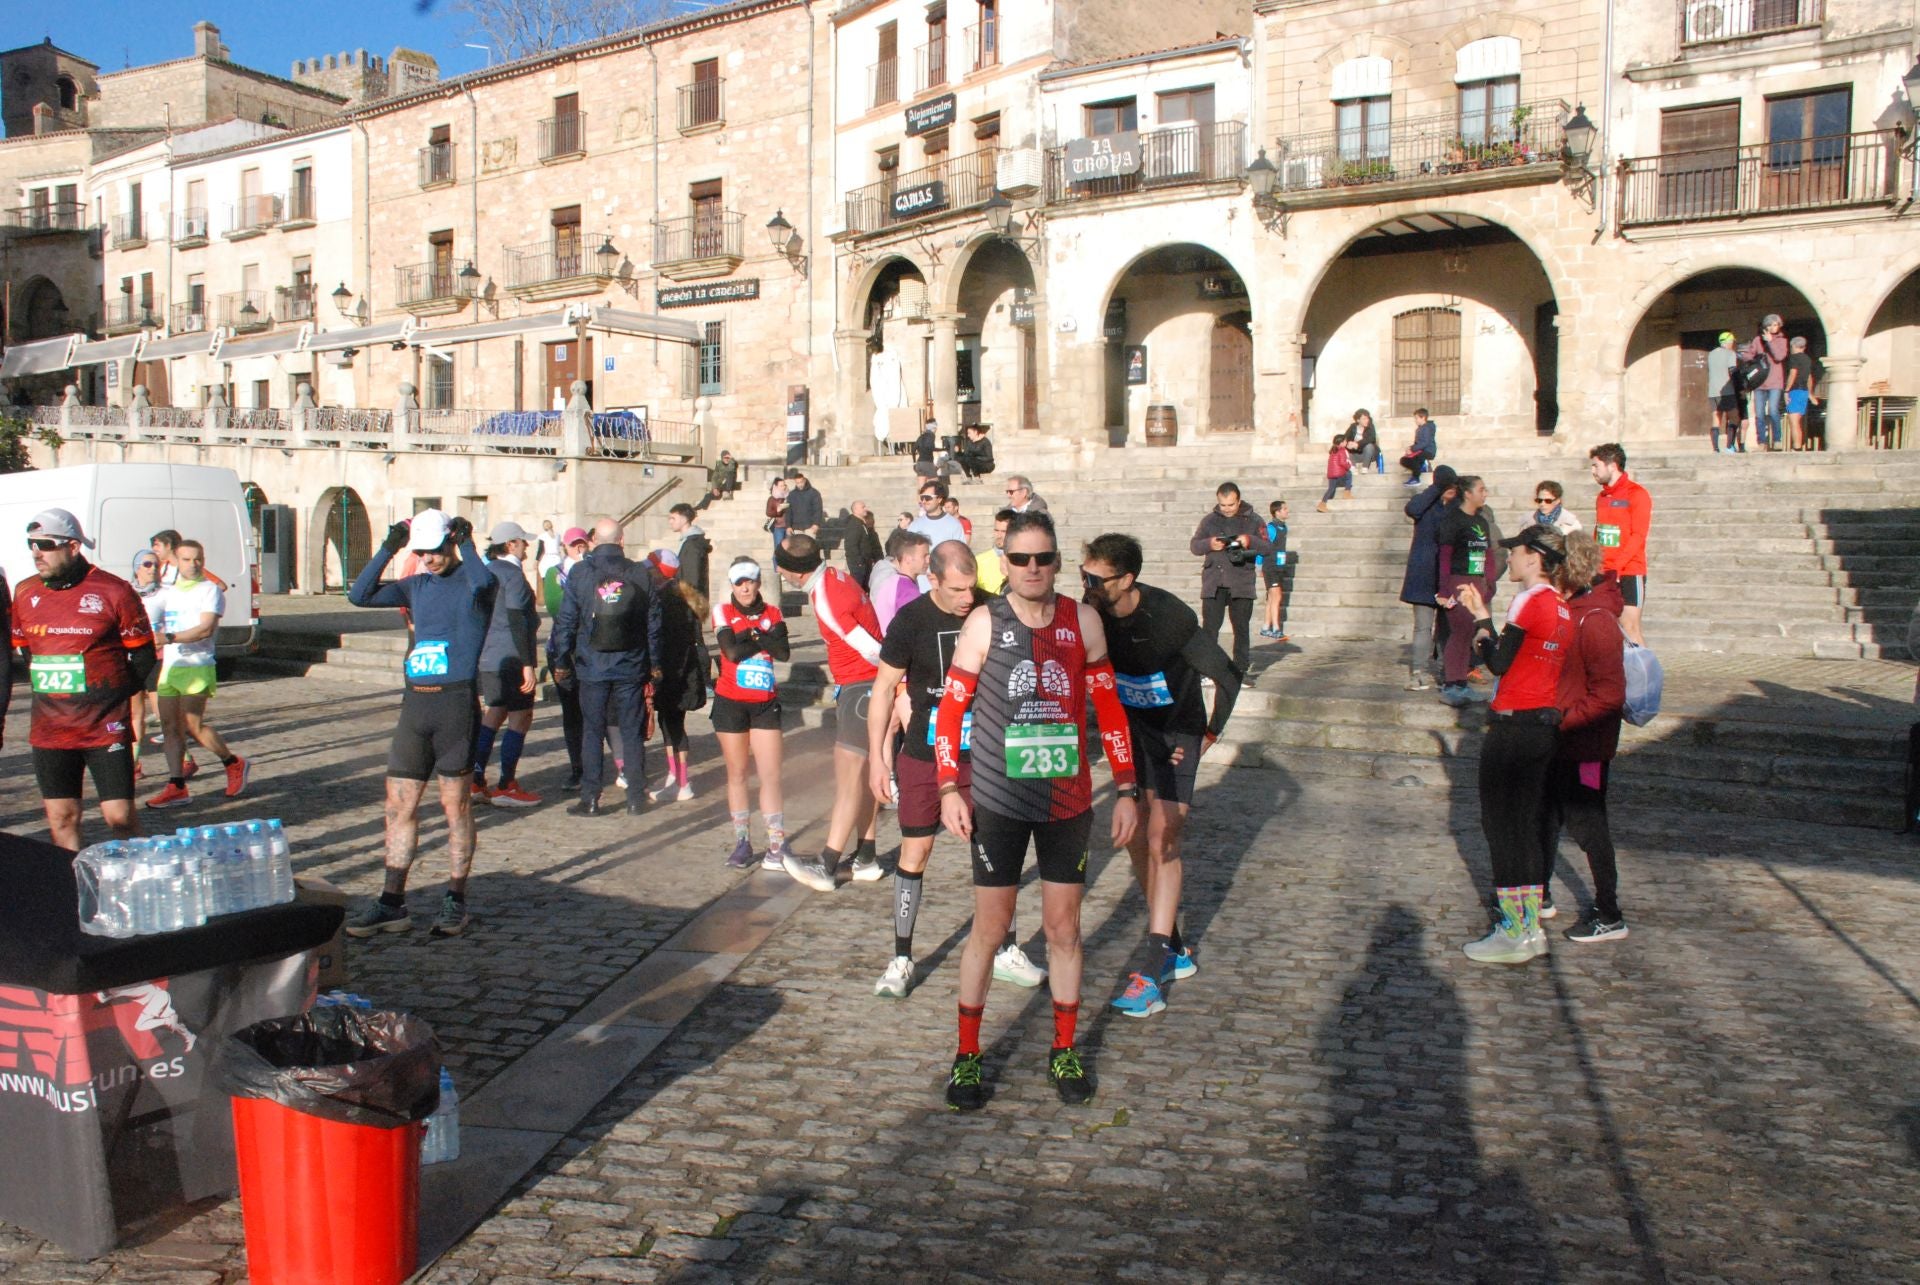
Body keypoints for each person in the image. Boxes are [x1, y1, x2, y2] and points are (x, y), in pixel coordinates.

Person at [934, 511, 1140, 1110]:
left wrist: (1125, 788)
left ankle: (1065, 1048)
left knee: (1064, 930)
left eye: (1043, 559)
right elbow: (951, 711)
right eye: (1019, 559)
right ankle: (967, 1057)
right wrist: (950, 787)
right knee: (991, 929)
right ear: (1006, 564)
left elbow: (1111, 708)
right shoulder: (983, 622)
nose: (1031, 569)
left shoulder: (1084, 621)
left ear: (1056, 562)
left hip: (1066, 800)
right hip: (998, 800)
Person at [868, 540, 1046, 997]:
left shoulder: (992, 610)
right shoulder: (911, 620)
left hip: (983, 755)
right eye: (956, 589)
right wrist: (877, 758)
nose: (967, 598)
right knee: (915, 854)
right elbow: (884, 688)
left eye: (972, 588)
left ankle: (1005, 947)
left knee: (993, 854)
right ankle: (902, 957)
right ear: (933, 580)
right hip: (925, 755)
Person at [1080, 533, 1240, 1019]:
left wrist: (1208, 734)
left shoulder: (1169, 616)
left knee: (1161, 838)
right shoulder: (1092, 614)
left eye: (1095, 578)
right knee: (1135, 839)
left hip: (1176, 734)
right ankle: (1172, 943)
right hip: (1133, 732)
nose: (1085, 585)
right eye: (1082, 575)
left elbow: (1227, 676)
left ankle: (1152, 970)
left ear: (1126, 579)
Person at [345, 509, 494, 938]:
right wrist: (390, 546)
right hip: (416, 707)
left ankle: (455, 899)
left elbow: (484, 584)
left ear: (450, 543)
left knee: (455, 807)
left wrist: (467, 541)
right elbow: (359, 595)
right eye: (421, 553)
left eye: (433, 552)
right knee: (398, 808)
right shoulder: (418, 585)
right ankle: (392, 901)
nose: (427, 560)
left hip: (455, 707)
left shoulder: (474, 581)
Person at [1454, 525, 1573, 964]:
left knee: (1502, 828)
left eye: (1516, 552)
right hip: (1543, 724)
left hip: (1516, 725)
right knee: (1522, 829)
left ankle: (1513, 930)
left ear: (1535, 558)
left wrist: (1481, 622)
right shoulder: (1561, 606)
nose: (1509, 559)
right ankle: (1528, 929)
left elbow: (1499, 661)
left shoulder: (1530, 599)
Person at [12, 509, 156, 850]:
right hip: (50, 729)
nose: (36, 553)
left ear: (73, 546)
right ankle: (70, 891)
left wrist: (114, 696)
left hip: (103, 726)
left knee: (119, 817)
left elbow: (144, 654)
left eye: (45, 545)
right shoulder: (24, 591)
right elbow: (27, 653)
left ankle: (139, 882)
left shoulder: (113, 590)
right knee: (62, 819)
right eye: (32, 544)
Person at [775, 532, 886, 889]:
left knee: (848, 777)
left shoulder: (826, 598)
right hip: (862, 688)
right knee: (865, 775)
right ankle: (866, 856)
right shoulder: (834, 577)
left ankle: (826, 864)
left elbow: (871, 649)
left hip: (862, 688)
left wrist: (891, 685)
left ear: (792, 572)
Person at [1541, 531, 1630, 944]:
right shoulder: (1573, 610)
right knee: (1547, 818)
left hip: (1586, 745)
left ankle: (1610, 912)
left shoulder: (1595, 619)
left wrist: (1563, 721)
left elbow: (1609, 695)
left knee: (1589, 825)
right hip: (1563, 740)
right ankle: (1538, 894)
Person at [550, 519, 662, 817]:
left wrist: (562, 659)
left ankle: (590, 797)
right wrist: (655, 663)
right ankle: (636, 797)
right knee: (631, 731)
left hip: (592, 663)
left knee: (592, 730)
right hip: (631, 663)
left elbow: (566, 621)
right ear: (622, 540)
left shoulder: (580, 572)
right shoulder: (640, 572)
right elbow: (653, 622)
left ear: (594, 540)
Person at [143, 539, 249, 808]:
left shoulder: (210, 590)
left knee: (192, 726)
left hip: (197, 666)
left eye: (198, 559)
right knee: (169, 728)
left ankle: (233, 763)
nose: (193, 564)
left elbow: (205, 629)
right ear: (176, 562)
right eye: (187, 559)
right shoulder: (168, 592)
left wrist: (168, 637)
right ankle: (177, 785)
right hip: (171, 667)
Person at [712, 558, 792, 869]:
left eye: (750, 581)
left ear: (759, 582)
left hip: (765, 702)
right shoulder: (723, 611)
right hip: (730, 701)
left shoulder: (774, 611)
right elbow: (730, 652)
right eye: (738, 583)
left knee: (771, 774)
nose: (745, 588)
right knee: (738, 773)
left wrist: (750, 635)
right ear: (731, 585)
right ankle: (742, 842)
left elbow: (783, 652)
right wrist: (763, 637)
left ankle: (776, 843)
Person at [469, 521, 542, 810]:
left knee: (494, 713)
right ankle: (506, 784)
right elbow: (518, 620)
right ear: (511, 544)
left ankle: (475, 779)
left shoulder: (484, 573)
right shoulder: (512, 577)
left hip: (487, 655)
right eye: (523, 542)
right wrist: (528, 663)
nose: (526, 546)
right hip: (511, 655)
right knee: (520, 717)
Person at [1187, 481, 1272, 673]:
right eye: (1223, 505)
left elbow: (1267, 548)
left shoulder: (1254, 520)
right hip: (1214, 581)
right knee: (1210, 629)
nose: (1226, 509)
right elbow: (1194, 546)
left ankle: (1240, 670)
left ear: (1239, 500)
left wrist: (1249, 540)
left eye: (1231, 505)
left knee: (1241, 629)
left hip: (1241, 581)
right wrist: (1210, 543)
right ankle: (1208, 670)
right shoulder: (1209, 520)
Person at [649, 551, 708, 804]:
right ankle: (676, 777)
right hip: (685, 671)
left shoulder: (665, 601)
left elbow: (666, 640)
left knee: (672, 726)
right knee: (672, 725)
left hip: (672, 672)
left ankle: (681, 781)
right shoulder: (682, 597)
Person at [1434, 475, 1493, 707]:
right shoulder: (1452, 520)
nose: (1485, 493)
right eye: (1481, 489)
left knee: (1469, 633)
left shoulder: (1482, 522)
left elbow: (1487, 555)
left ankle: (1461, 682)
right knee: (1458, 633)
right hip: (1458, 582)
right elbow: (1445, 557)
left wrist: (1489, 582)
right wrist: (1444, 589)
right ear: (1467, 493)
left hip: (1476, 581)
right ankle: (1452, 684)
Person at [1399, 465, 1460, 691]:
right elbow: (1411, 509)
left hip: (1448, 576)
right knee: (1422, 627)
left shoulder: (1458, 507)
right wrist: (1435, 489)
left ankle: (1447, 671)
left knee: (1446, 627)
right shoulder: (1425, 504)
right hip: (1423, 575)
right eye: (1447, 487)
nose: (1450, 491)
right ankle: (1418, 671)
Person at [1589, 442, 1652, 646]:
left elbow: (1638, 535)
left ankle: (1645, 675)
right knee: (1608, 627)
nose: (1593, 472)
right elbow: (1599, 531)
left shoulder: (1637, 494)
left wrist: (1618, 567)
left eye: (1596, 466)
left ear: (1612, 465)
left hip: (1629, 571)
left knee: (1630, 627)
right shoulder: (1602, 497)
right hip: (1603, 571)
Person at [545, 526, 592, 791]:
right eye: (575, 545)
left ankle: (604, 764)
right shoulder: (555, 574)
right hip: (563, 649)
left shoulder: (595, 571)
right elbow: (557, 607)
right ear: (565, 547)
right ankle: (578, 767)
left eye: (582, 544)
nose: (579, 549)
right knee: (572, 712)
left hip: (589, 649)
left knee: (595, 710)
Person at [869, 528, 931, 635]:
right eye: (924, 556)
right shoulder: (907, 591)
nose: (929, 560)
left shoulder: (892, 581)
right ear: (907, 558)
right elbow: (915, 631)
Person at [1742, 314, 1790, 451]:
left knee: (1773, 410)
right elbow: (1749, 355)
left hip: (1775, 381)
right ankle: (1761, 442)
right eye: (1770, 325)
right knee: (1759, 413)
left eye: (1775, 325)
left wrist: (1770, 342)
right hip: (1759, 381)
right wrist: (1745, 355)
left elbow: (1780, 356)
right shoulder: (1758, 340)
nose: (1772, 327)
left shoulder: (1782, 341)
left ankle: (1777, 439)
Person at [1706, 331, 1744, 454]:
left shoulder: (1711, 354)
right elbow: (1733, 371)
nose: (1733, 344)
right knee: (1734, 417)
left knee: (1716, 418)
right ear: (1728, 342)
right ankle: (1729, 446)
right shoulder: (1730, 354)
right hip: (1727, 391)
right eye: (1732, 342)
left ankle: (1715, 448)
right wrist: (1740, 387)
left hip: (1712, 391)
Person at [666, 503, 711, 600]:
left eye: (673, 518)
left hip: (691, 603)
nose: (670, 522)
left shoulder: (693, 545)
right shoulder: (688, 542)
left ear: (684, 519)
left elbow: (692, 578)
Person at [1259, 500, 1290, 640]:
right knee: (1276, 596)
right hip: (1270, 566)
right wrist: (1259, 564)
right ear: (1277, 512)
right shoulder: (1271, 528)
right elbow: (1262, 546)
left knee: (1272, 597)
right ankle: (1276, 628)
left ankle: (1266, 627)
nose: (1287, 511)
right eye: (1284, 509)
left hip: (1279, 566)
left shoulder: (1284, 528)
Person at [1783, 335, 1820, 452]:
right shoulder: (1807, 359)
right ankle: (1798, 445)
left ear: (1793, 346)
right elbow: (1809, 377)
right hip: (1804, 391)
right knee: (1798, 420)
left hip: (1795, 390)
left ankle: (1797, 447)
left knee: (1793, 421)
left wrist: (1786, 390)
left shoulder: (1794, 358)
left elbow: (1793, 373)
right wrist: (1810, 393)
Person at [908, 478, 966, 547]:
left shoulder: (954, 524)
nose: (923, 501)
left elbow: (960, 552)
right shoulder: (914, 525)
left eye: (927, 498)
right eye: (922, 497)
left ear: (939, 499)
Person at [843, 500, 884, 591]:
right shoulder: (854, 525)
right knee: (857, 590)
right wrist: (859, 563)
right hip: (859, 566)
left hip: (865, 564)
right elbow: (851, 546)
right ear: (856, 509)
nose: (866, 509)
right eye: (863, 507)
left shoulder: (861, 524)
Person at [975, 508, 1013, 596]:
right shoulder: (979, 560)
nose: (999, 536)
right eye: (996, 530)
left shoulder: (1024, 560)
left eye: (1004, 531)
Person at [1316, 434, 1353, 512]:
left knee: (1331, 489)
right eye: (1345, 441)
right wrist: (1350, 466)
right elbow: (1343, 462)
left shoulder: (1332, 450)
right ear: (1341, 443)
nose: (1346, 442)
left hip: (1331, 475)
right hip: (1339, 474)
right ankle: (1347, 492)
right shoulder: (1342, 450)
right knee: (1349, 474)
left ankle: (1322, 504)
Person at [1400, 408, 1437, 485]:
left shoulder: (1427, 428)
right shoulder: (1420, 429)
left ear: (1423, 417)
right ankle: (1423, 466)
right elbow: (1417, 443)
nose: (1415, 420)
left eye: (1417, 418)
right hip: (1420, 451)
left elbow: (1425, 443)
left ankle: (1416, 478)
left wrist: (1412, 449)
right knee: (1404, 460)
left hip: (1428, 451)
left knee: (1413, 460)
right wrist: (1410, 448)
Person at [784, 470, 826, 539]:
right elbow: (789, 511)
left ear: (804, 481)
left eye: (801, 482)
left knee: (810, 548)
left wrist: (816, 524)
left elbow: (818, 510)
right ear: (795, 482)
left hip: (810, 527)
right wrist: (788, 526)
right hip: (796, 527)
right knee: (797, 548)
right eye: (797, 483)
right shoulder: (792, 494)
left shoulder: (814, 493)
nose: (800, 484)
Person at [766, 478, 790, 552]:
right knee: (779, 550)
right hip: (778, 527)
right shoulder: (772, 499)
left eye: (784, 485)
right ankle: (777, 564)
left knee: (789, 550)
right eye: (781, 485)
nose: (784, 487)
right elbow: (768, 512)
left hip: (789, 527)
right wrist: (778, 511)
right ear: (776, 487)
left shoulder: (789, 497)